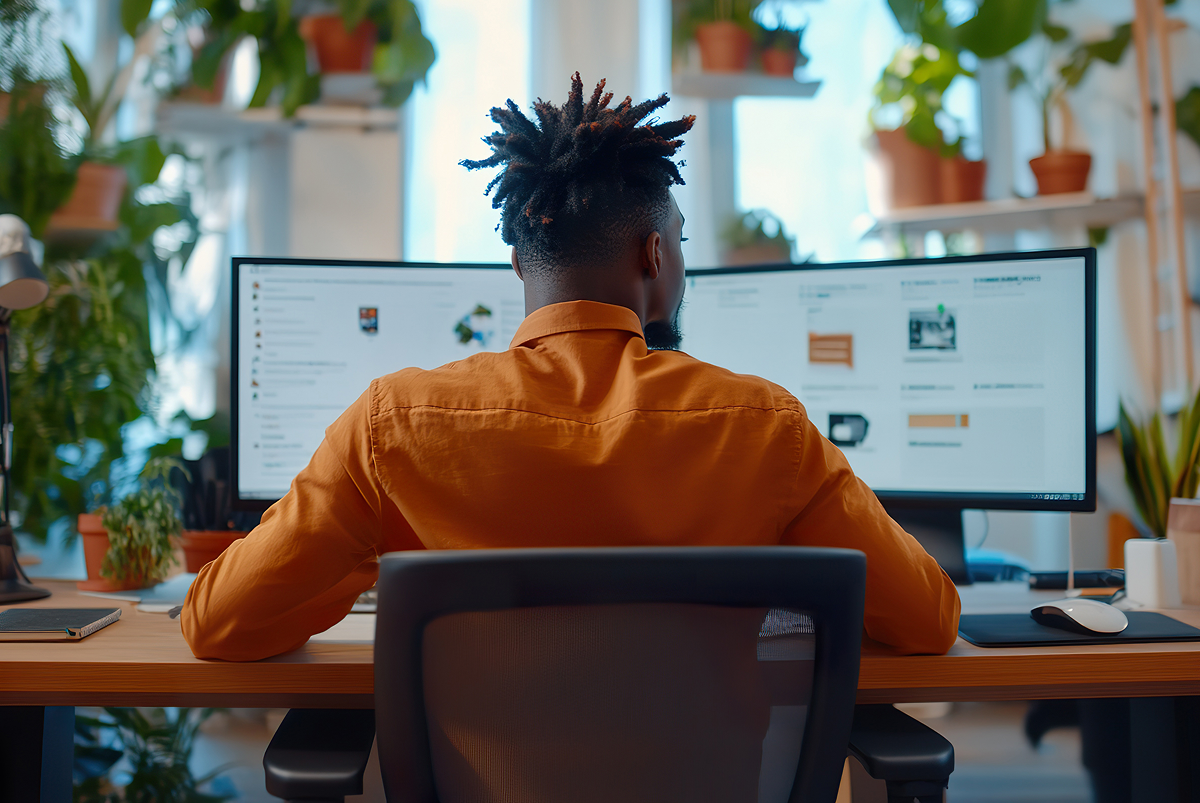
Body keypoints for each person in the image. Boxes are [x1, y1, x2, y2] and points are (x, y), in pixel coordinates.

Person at [182, 74, 960, 661]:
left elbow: (217, 623)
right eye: (679, 238)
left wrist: (365, 552)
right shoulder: (764, 427)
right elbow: (927, 622)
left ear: (519, 260)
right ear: (656, 254)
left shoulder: (393, 423)